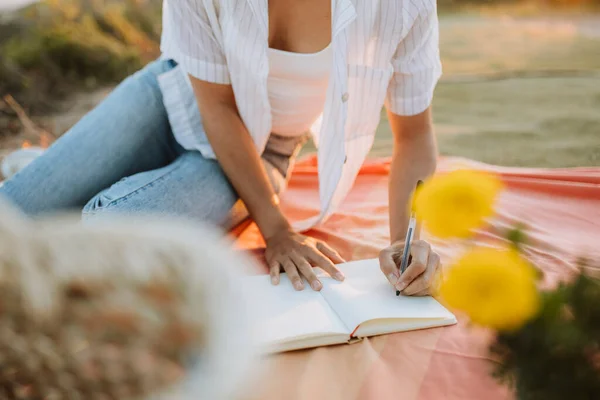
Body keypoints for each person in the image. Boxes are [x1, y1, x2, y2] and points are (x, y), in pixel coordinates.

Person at [0, 0, 442, 296]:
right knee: (10, 217)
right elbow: (217, 106)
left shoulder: (400, 6)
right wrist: (277, 231)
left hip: (262, 151)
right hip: (167, 96)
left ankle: (60, 174)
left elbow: (414, 137)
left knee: (107, 236)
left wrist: (407, 244)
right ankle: (48, 172)